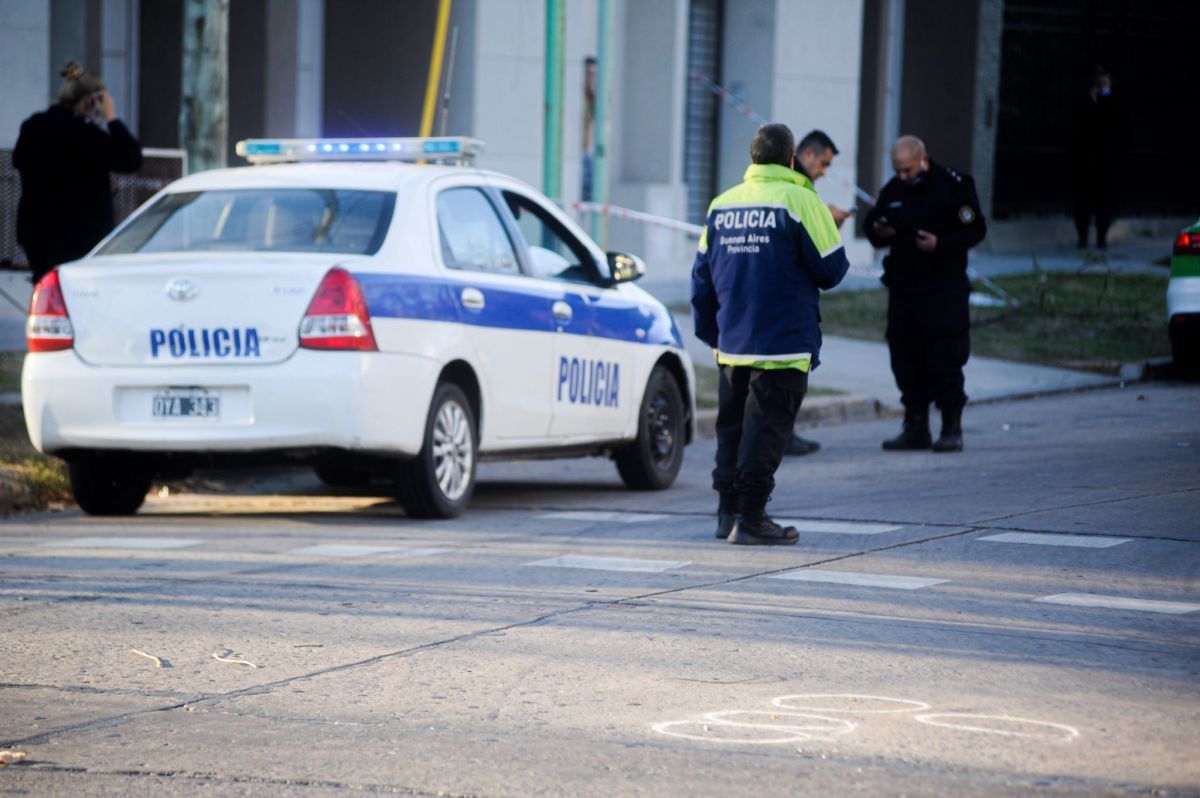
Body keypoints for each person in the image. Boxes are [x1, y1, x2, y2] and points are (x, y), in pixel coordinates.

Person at [692, 123, 849, 545]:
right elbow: (831, 269)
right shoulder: (801, 200)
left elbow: (701, 279)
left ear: (753, 157)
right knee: (766, 431)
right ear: (791, 159)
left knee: (732, 430)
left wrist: (713, 334)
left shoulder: (722, 205)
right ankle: (753, 519)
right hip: (783, 343)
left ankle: (727, 515)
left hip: (732, 342)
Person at [864, 135, 986, 453]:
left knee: (945, 358)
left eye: (907, 170)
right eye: (897, 170)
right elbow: (872, 224)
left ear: (923, 159)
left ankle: (951, 427)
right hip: (905, 289)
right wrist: (878, 231)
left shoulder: (953, 185)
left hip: (942, 289)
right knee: (905, 358)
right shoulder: (894, 189)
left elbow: (975, 229)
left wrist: (940, 244)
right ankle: (916, 427)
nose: (902, 176)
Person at [14, 60, 143, 284]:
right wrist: (112, 118)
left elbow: (18, 161)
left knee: (45, 292)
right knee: (73, 299)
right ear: (93, 101)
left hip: (36, 233)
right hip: (79, 238)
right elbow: (131, 159)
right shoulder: (87, 136)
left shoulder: (33, 126)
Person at [784, 129, 853, 457]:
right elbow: (829, 267)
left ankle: (782, 434)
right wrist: (828, 223)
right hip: (791, 306)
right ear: (807, 155)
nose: (825, 170)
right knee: (787, 382)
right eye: (824, 163)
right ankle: (784, 436)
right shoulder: (800, 191)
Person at [1070, 65, 1127, 251]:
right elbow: (1079, 126)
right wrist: (1092, 100)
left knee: (1105, 204)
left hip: (1106, 163)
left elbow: (1118, 124)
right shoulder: (1084, 101)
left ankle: (1101, 237)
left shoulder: (1114, 102)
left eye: (1104, 82)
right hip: (1085, 162)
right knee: (1083, 204)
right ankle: (1083, 237)